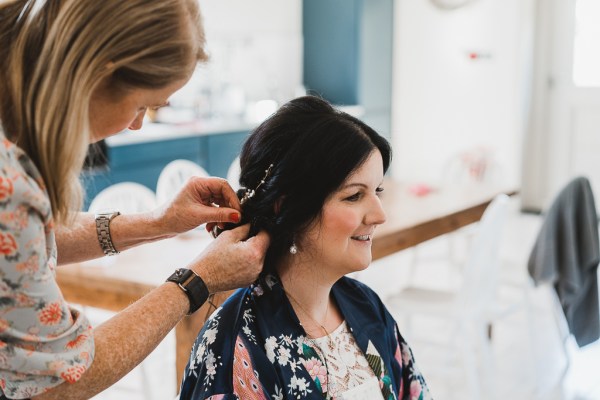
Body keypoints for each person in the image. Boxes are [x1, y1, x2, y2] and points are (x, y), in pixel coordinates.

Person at [0, 1, 269, 399]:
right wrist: (195, 282)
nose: (137, 123)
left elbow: (24, 242)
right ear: (98, 70)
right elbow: (53, 384)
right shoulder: (11, 185)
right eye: (142, 104)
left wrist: (159, 222)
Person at [179, 96, 432, 400]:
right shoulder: (237, 343)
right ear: (289, 209)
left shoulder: (365, 305)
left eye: (377, 190)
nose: (379, 215)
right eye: (354, 196)